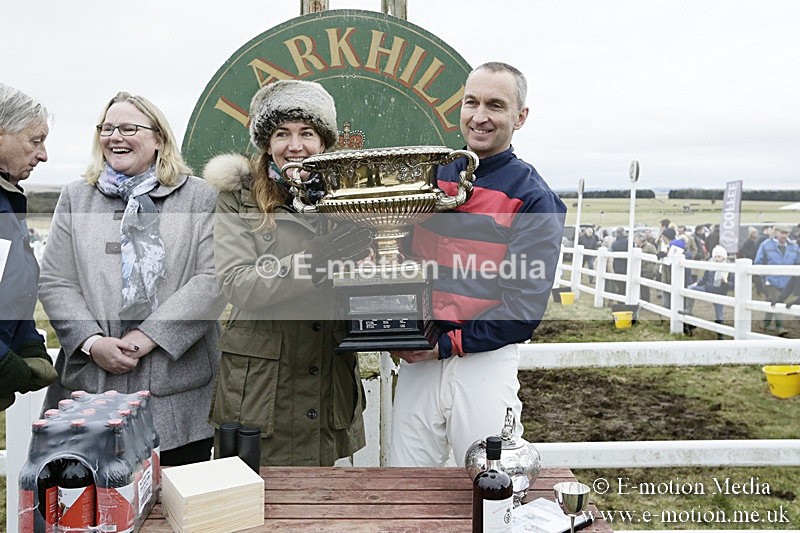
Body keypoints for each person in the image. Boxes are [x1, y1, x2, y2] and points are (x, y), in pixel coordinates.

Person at [388, 62, 566, 467]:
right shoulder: (429, 178)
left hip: (483, 361)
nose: (479, 116)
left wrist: (444, 345)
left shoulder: (535, 197)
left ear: (520, 117)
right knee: (407, 478)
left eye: (495, 105)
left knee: (489, 483)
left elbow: (522, 311)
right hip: (419, 360)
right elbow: (396, 261)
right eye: (472, 102)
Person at [39, 91, 221, 465]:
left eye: (128, 128)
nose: (114, 137)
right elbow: (56, 280)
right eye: (107, 129)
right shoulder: (76, 197)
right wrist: (92, 342)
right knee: (86, 497)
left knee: (178, 498)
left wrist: (148, 337)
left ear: (159, 139)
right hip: (90, 395)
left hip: (178, 395)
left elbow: (212, 280)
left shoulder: (199, 197)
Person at [205, 80, 370, 466]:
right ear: (267, 143)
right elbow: (236, 283)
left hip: (327, 379)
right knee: (255, 494)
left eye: (307, 133)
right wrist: (313, 264)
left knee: (323, 496)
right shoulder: (238, 197)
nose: (295, 146)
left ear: (324, 142)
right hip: (261, 388)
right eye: (282, 133)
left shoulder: (349, 194)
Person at [0, 83, 57, 410]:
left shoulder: (8, 202)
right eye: (35, 141)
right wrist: (5, 366)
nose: (43, 154)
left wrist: (29, 343)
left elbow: (10, 292)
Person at [754, 224, 800, 335]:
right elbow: (758, 262)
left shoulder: (794, 247)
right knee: (777, 300)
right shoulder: (765, 245)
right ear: (776, 233)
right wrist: (764, 277)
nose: (784, 235)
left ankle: (766, 324)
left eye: (786, 233)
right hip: (771, 280)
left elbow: (798, 263)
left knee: (772, 301)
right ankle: (780, 327)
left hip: (787, 281)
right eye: (782, 233)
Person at [684, 245, 731, 339]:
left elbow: (733, 284)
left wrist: (726, 284)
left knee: (719, 314)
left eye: (719, 256)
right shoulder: (710, 264)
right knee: (690, 289)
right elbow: (705, 278)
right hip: (707, 288)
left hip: (720, 292)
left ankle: (720, 334)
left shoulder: (729, 268)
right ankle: (687, 313)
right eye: (715, 256)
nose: (717, 259)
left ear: (723, 257)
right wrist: (697, 284)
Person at [634, 233, 657, 302]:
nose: (635, 241)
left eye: (636, 240)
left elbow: (655, 257)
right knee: (642, 287)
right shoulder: (638, 247)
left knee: (645, 287)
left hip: (648, 269)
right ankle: (643, 300)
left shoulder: (650, 247)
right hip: (641, 269)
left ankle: (645, 301)